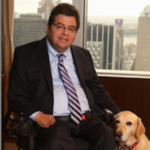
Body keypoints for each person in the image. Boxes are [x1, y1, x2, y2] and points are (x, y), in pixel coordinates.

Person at [7, 3, 120, 150]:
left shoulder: (83, 55)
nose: (65, 32)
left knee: (107, 137)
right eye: (60, 26)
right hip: (53, 122)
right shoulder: (25, 55)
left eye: (71, 28)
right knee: (56, 142)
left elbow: (98, 92)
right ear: (48, 28)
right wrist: (37, 115)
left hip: (87, 119)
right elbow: (15, 95)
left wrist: (121, 114)